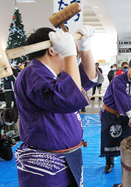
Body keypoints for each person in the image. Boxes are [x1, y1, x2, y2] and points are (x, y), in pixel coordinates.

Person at [14, 25, 97, 187]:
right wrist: (69, 54)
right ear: (52, 50)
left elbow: (88, 76)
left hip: (66, 157)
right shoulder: (33, 74)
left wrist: (85, 48)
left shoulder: (54, 75)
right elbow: (69, 97)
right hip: (45, 162)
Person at [99, 58, 131, 174]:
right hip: (110, 114)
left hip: (126, 116)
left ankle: (128, 163)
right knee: (109, 140)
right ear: (128, 68)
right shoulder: (118, 80)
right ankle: (109, 162)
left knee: (129, 140)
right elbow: (122, 97)